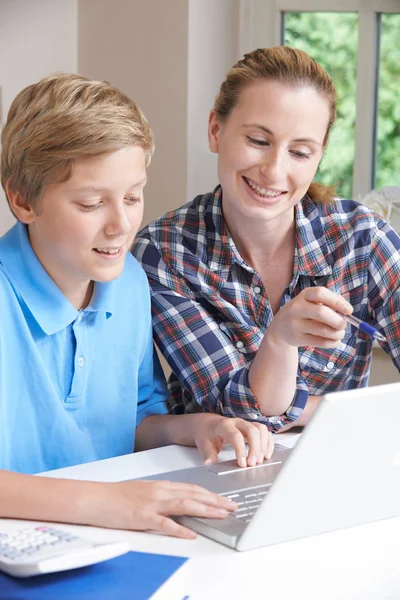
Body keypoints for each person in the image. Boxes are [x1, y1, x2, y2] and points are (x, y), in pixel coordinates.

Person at [0, 73, 275, 540]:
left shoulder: (127, 282)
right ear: (23, 201)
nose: (122, 225)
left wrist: (197, 427)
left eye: (132, 196)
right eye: (90, 203)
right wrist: (105, 503)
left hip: (107, 534)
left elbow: (132, 421)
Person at [133, 46, 400, 433]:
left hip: (336, 463)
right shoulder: (165, 253)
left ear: (319, 156)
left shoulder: (362, 239)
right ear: (215, 130)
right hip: (216, 469)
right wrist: (280, 340)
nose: (275, 171)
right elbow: (241, 412)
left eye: (300, 152)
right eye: (259, 140)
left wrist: (307, 411)